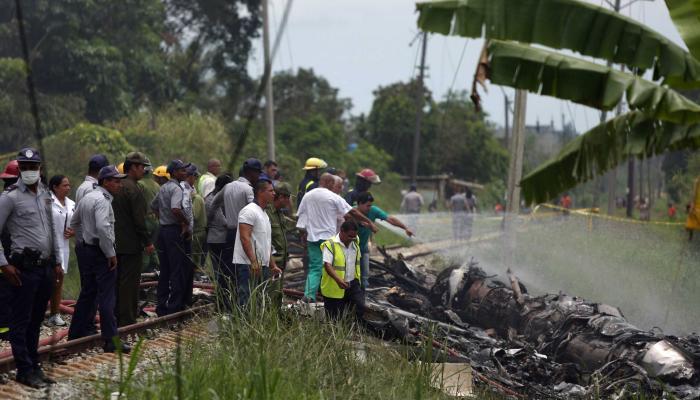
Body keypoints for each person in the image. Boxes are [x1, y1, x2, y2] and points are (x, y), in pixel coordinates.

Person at [0, 148, 62, 388]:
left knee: (36, 320)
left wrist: (56, 260)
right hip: (23, 269)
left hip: (45, 268)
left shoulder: (45, 194)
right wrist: (4, 265)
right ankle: (24, 369)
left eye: (32, 167)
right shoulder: (10, 197)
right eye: (24, 167)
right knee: (21, 321)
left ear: (40, 169)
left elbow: (51, 231)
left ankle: (34, 365)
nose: (28, 171)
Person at [68, 165, 130, 355]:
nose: (119, 185)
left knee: (88, 292)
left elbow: (74, 222)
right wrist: (110, 253)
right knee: (107, 296)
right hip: (101, 252)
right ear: (105, 181)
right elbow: (103, 228)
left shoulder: (87, 197)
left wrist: (84, 239)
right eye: (116, 181)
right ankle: (111, 340)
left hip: (87, 250)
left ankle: (75, 333)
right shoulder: (103, 201)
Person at [296, 173, 375, 302]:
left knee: (315, 268)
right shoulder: (333, 197)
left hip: (313, 238)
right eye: (333, 184)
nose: (334, 187)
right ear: (328, 183)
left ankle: (309, 295)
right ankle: (336, 295)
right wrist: (369, 222)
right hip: (329, 239)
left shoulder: (308, 196)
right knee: (334, 267)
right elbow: (352, 212)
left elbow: (301, 218)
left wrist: (303, 234)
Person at [208, 158, 262, 308]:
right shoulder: (248, 190)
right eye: (257, 173)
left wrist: (222, 222)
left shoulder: (228, 187)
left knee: (227, 270)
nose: (258, 177)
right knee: (243, 271)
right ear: (251, 173)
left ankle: (225, 304)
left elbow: (213, 206)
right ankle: (243, 306)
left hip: (229, 234)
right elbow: (255, 211)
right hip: (244, 233)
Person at [112, 152, 154, 327]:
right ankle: (127, 319)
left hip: (115, 244)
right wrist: (148, 242)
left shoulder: (117, 185)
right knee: (129, 284)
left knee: (116, 282)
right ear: (134, 167)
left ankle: (114, 316)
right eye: (142, 167)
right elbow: (139, 220)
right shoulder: (134, 189)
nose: (143, 171)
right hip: (130, 245)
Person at [232, 177, 282, 307]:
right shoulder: (249, 211)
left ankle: (254, 326)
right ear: (260, 192)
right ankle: (242, 326)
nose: (274, 193)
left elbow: (266, 243)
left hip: (262, 265)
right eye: (271, 191)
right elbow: (245, 237)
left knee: (259, 300)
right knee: (246, 299)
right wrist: (253, 262)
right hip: (248, 264)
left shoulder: (264, 214)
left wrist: (272, 265)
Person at [152, 159, 191, 316]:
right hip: (174, 232)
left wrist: (162, 218)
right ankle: (174, 307)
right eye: (182, 170)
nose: (185, 173)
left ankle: (161, 306)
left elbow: (153, 206)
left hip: (162, 231)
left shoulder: (163, 188)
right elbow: (176, 208)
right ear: (174, 172)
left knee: (165, 269)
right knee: (176, 269)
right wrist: (185, 222)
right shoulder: (177, 189)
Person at [355, 192, 413, 288]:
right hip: (350, 248)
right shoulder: (351, 211)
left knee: (364, 275)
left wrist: (405, 228)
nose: (369, 208)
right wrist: (364, 223)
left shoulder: (373, 211)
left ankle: (362, 295)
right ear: (359, 204)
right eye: (367, 206)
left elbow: (390, 219)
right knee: (351, 274)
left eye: (370, 205)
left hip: (363, 247)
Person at [47, 175, 75, 327]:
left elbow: (78, 222)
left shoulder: (71, 203)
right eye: (64, 185)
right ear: (55, 187)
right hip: (49, 247)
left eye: (69, 185)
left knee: (58, 281)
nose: (68, 188)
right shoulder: (47, 202)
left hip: (64, 247)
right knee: (47, 281)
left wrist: (74, 231)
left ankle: (54, 314)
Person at [321, 221, 364, 321]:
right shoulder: (330, 245)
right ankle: (336, 334)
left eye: (354, 236)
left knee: (360, 306)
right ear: (342, 231)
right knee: (334, 316)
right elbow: (327, 265)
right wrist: (338, 280)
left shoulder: (355, 241)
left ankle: (353, 330)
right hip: (335, 286)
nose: (352, 239)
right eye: (349, 236)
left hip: (353, 283)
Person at [205, 174, 233, 309]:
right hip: (218, 239)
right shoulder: (212, 200)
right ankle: (222, 302)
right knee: (222, 272)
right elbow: (224, 222)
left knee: (222, 272)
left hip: (217, 238)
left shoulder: (214, 197)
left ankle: (223, 301)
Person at [266, 182, 294, 309]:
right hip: (272, 263)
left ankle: (275, 319)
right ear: (281, 197)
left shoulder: (280, 214)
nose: (289, 201)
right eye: (288, 197)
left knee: (277, 294)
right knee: (271, 294)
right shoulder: (267, 213)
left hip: (281, 262)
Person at [0, 160, 19, 340]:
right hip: (7, 255)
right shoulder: (10, 201)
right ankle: (5, 329)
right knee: (7, 292)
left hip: (5, 254)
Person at [687, 176, 700, 241]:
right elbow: (693, 195)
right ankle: (690, 237)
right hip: (696, 205)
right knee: (691, 220)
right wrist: (692, 206)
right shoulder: (697, 182)